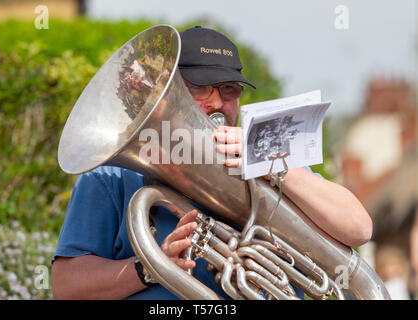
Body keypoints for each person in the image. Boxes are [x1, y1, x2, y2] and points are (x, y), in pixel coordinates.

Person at [51, 26, 373, 300]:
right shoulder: (114, 176)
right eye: (200, 88)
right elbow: (66, 286)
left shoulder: (269, 163)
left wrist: (272, 164)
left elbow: (358, 228)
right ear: (166, 94)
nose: (218, 102)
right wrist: (150, 266)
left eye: (229, 90)